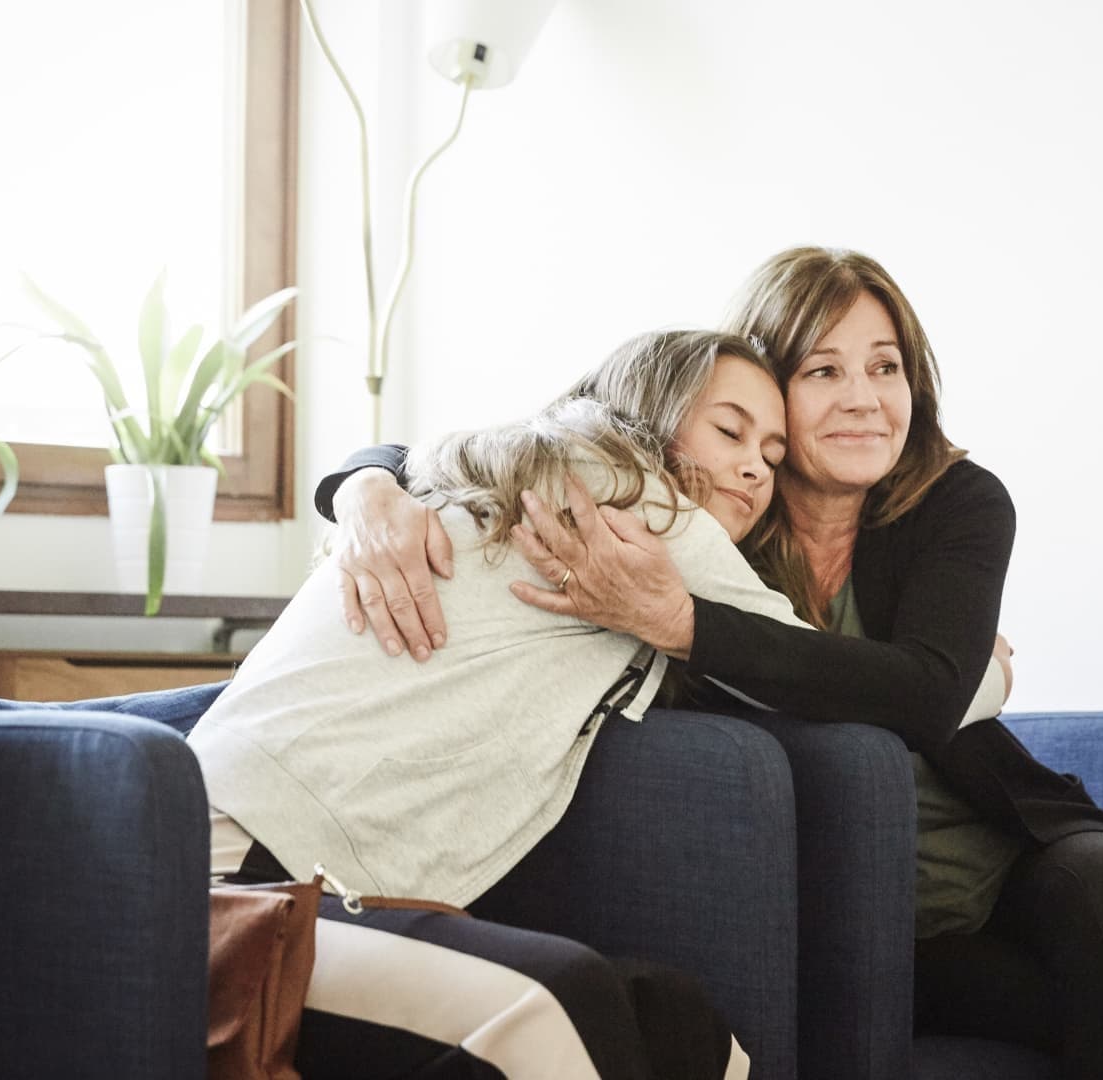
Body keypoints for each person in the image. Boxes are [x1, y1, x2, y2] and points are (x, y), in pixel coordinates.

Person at [317, 248, 1103, 1080]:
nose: (864, 399)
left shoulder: (961, 505)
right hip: (887, 907)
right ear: (761, 378)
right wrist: (362, 483)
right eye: (823, 371)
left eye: (885, 367)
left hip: (1011, 852)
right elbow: (534, 432)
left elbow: (921, 696)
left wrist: (684, 625)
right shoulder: (708, 507)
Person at [190, 329, 816, 1080]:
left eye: (775, 457)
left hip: (312, 885)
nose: (754, 466)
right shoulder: (632, 501)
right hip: (234, 893)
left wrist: (363, 479)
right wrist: (988, 659)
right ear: (653, 412)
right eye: (729, 431)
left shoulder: (487, 468)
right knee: (558, 1007)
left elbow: (386, 457)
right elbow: (829, 670)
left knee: (674, 1020)